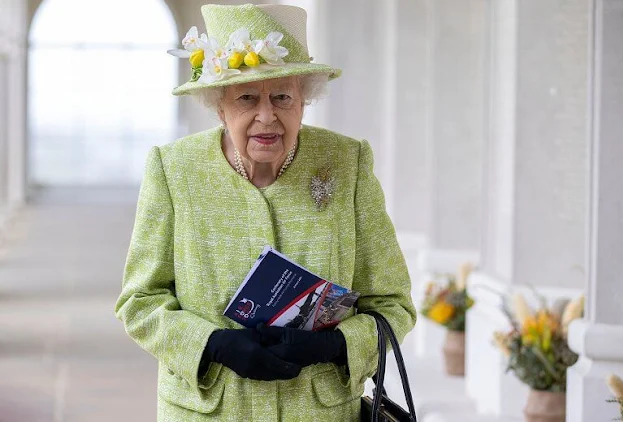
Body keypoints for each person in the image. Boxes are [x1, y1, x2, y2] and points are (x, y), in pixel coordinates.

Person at [115, 4, 416, 421]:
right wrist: (212, 345)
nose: (266, 115)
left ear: (304, 101)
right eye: (246, 98)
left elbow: (394, 305)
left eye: (281, 96)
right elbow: (139, 301)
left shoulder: (347, 162)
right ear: (219, 105)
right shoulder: (174, 169)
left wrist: (336, 347)